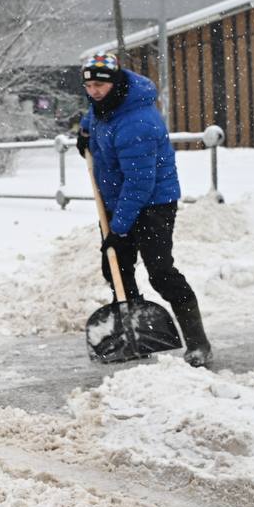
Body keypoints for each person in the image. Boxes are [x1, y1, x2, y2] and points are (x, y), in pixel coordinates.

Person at [75, 52, 212, 367]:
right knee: (116, 267)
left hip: (153, 203)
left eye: (99, 85)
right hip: (115, 198)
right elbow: (93, 115)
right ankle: (135, 331)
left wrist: (120, 229)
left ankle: (198, 342)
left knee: (161, 273)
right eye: (89, 86)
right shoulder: (106, 105)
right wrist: (85, 132)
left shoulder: (139, 122)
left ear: (114, 83)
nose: (94, 91)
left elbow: (140, 183)